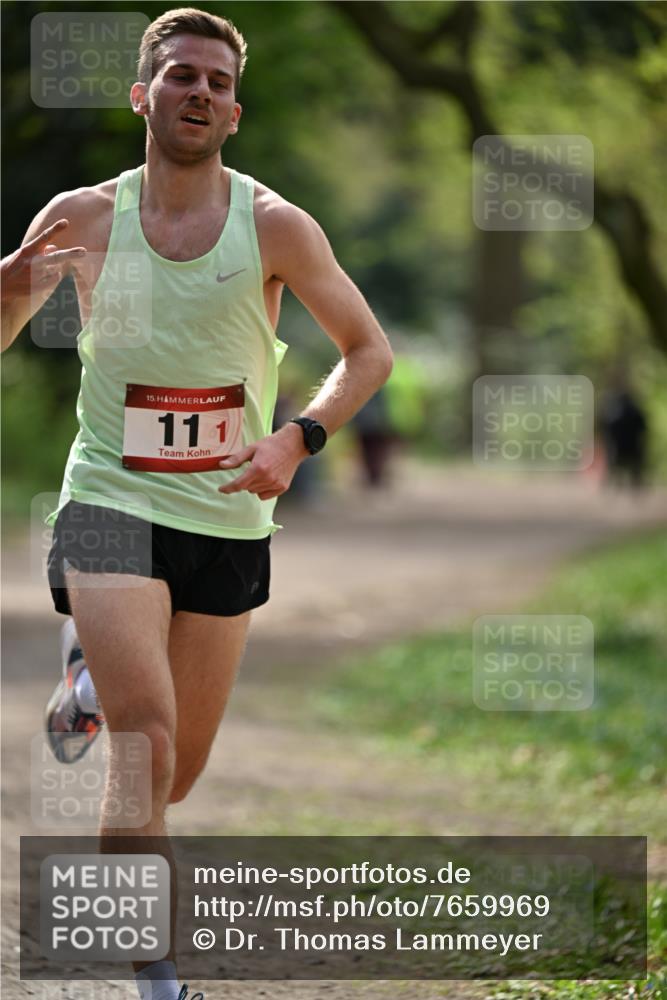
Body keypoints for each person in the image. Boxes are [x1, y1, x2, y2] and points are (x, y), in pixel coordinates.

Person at [0, 8, 393, 997]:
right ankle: (155, 970)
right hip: (107, 498)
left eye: (217, 82)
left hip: (225, 516)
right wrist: (6, 293)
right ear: (144, 94)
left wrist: (296, 437)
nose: (200, 93)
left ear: (234, 110)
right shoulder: (85, 217)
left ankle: (87, 673)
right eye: (181, 75)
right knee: (147, 738)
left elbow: (368, 350)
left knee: (175, 778)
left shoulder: (275, 227)